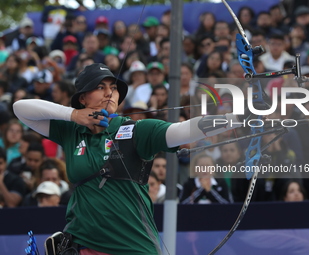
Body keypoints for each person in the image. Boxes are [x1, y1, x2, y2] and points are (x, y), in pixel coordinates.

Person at [13, 63, 241, 254]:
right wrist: (73, 115)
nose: (109, 92)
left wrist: (238, 118)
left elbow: (182, 131)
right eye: (99, 87)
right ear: (83, 98)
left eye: (113, 87)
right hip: (85, 244)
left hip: (133, 247)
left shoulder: (135, 131)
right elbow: (20, 108)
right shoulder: (72, 132)